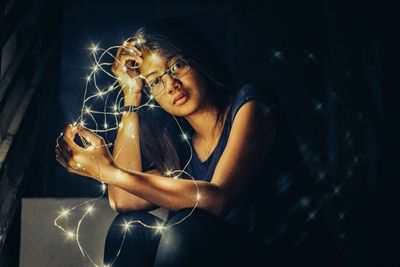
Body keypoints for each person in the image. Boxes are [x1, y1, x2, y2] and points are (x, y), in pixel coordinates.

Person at [55, 18, 343, 267]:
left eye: (177, 65)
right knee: (131, 230)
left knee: (186, 228)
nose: (170, 85)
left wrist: (109, 171)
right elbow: (123, 200)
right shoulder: (182, 149)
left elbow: (217, 198)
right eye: (155, 81)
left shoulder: (252, 105)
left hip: (288, 259)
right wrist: (131, 93)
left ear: (198, 58)